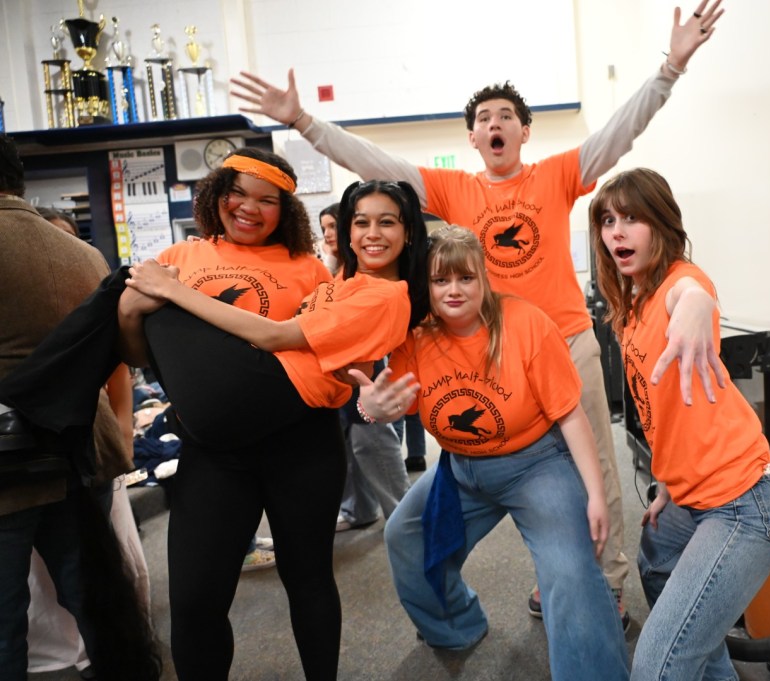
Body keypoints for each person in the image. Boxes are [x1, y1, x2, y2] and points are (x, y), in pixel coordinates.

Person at [230, 0, 725, 625]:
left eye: (506, 117)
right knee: (526, 472)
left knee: (594, 467)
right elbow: (375, 163)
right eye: (484, 118)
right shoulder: (454, 189)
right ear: (472, 137)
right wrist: (303, 120)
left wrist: (670, 69)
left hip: (566, 340)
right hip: (494, 352)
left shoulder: (555, 175)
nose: (495, 124)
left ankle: (608, 585)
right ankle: (555, 571)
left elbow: (618, 133)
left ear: (524, 132)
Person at [0, 151, 394, 681]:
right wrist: (131, 311)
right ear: (216, 194)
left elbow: (321, 352)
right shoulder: (178, 257)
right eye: (238, 192)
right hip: (214, 450)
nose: (249, 208)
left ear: (285, 210)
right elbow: (138, 353)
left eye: (267, 200)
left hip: (299, 444)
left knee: (309, 579)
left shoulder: (308, 268)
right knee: (194, 599)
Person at [353, 225, 629, 681]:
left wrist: (596, 496)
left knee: (570, 574)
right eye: (441, 280)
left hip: (536, 464)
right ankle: (457, 628)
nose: (454, 290)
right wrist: (370, 409)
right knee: (405, 535)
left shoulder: (526, 323)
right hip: (460, 470)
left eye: (465, 278)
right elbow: (394, 404)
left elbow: (571, 416)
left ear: (483, 278)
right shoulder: (417, 334)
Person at [588, 168, 770, 680]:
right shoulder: (632, 303)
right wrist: (667, 482)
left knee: (657, 667)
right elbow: (663, 412)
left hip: (745, 503)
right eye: (608, 221)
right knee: (656, 560)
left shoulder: (679, 283)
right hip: (692, 496)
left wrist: (698, 305)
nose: (617, 232)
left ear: (661, 224)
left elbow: (694, 292)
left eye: (631, 218)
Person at [0, 134, 159, 681]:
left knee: (4, 622)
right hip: (80, 449)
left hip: (8, 464)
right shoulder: (83, 253)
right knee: (98, 603)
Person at [315, 200, 412, 531]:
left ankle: (405, 518)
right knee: (351, 450)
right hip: (339, 382)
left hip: (368, 376)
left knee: (374, 445)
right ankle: (360, 510)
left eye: (334, 226)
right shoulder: (336, 270)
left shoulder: (368, 272)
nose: (329, 233)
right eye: (324, 228)